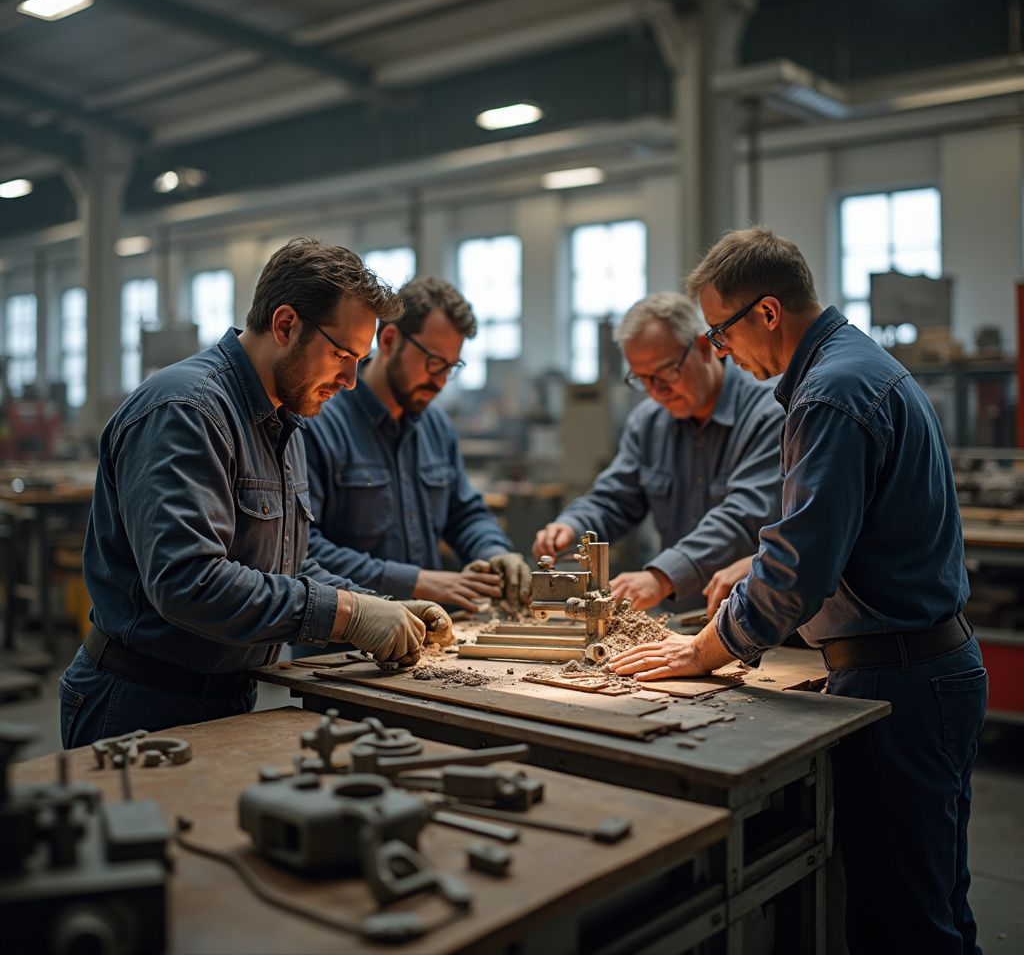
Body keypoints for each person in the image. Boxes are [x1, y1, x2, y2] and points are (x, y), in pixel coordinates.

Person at [610, 228, 986, 955]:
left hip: (901, 680)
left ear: (769, 313)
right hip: (916, 670)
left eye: (720, 331)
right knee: (932, 903)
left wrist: (707, 648)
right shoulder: (853, 370)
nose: (720, 350)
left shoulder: (831, 393)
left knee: (905, 923)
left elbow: (800, 568)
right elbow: (824, 541)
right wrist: (757, 573)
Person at [59, 238, 446, 748]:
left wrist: (381, 607)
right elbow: (189, 582)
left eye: (361, 358)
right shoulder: (186, 412)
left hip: (227, 698)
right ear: (286, 325)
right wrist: (348, 615)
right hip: (139, 704)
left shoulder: (284, 420)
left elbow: (286, 565)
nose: (352, 380)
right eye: (341, 354)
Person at [533, 292, 784, 613]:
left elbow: (743, 517)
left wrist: (663, 575)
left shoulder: (767, 414)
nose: (657, 391)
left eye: (666, 373)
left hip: (758, 621)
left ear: (705, 348)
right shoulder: (649, 423)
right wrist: (572, 525)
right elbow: (614, 499)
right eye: (643, 379)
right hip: (682, 620)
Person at [303, 276, 531, 615]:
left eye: (451, 368)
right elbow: (303, 549)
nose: (440, 382)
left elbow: (463, 512)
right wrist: (416, 581)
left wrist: (494, 550)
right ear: (391, 340)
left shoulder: (435, 425)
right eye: (434, 363)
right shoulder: (319, 422)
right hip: (339, 651)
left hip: (426, 638)